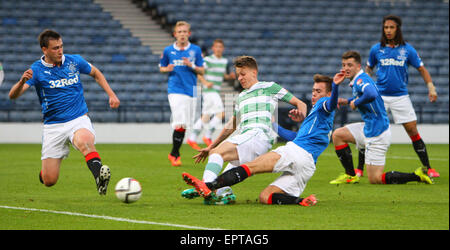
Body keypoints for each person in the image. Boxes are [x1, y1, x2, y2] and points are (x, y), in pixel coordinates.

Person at [182, 73, 339, 206]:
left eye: (318, 91)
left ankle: (208, 186)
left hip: (295, 152)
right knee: (266, 196)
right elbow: (294, 137)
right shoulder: (320, 120)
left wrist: (337, 87)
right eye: (313, 91)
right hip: (307, 166)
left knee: (251, 167)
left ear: (328, 94)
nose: (314, 94)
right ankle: (302, 201)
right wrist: (273, 124)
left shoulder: (322, 104)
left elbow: (331, 103)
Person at [8, 29, 120, 194]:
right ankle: (45, 172)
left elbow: (96, 73)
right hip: (54, 126)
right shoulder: (36, 70)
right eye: (55, 48)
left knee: (86, 142)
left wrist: (111, 94)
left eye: (61, 46)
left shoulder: (74, 61)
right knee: (49, 180)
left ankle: (99, 177)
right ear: (44, 49)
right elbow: (13, 95)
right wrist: (21, 82)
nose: (60, 51)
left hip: (78, 119)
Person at [330, 50, 433, 185]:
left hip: (378, 133)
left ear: (358, 66)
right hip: (369, 127)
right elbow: (365, 95)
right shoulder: (358, 80)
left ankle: (417, 176)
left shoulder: (361, 79)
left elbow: (371, 94)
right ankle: (350, 175)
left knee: (375, 179)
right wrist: (347, 100)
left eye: (349, 65)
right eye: (343, 65)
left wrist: (356, 102)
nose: (346, 68)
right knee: (338, 135)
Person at [366, 15, 439, 178]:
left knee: (412, 130)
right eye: (386, 27)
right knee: (371, 129)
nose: (388, 31)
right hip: (380, 96)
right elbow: (368, 69)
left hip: (400, 96)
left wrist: (431, 87)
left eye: (391, 27)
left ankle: (428, 167)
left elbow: (422, 69)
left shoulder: (408, 50)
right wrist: (363, 85)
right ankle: (358, 170)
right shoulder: (376, 49)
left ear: (398, 29)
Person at [159, 21, 205, 167]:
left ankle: (173, 153)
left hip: (191, 90)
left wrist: (190, 65)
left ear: (189, 34)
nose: (182, 34)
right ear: (175, 34)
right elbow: (161, 67)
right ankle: (175, 155)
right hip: (175, 90)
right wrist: (167, 69)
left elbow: (202, 70)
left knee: (184, 125)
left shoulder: (196, 50)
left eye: (185, 32)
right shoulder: (168, 50)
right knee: (179, 122)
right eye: (180, 32)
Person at [187, 39, 235, 150]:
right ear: (213, 48)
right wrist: (205, 83)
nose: (218, 49)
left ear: (223, 49)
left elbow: (223, 75)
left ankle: (192, 138)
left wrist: (229, 77)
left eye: (220, 47)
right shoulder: (207, 60)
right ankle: (207, 136)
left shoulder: (224, 61)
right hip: (209, 91)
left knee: (206, 116)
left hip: (215, 91)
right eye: (216, 47)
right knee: (222, 113)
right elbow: (199, 73)